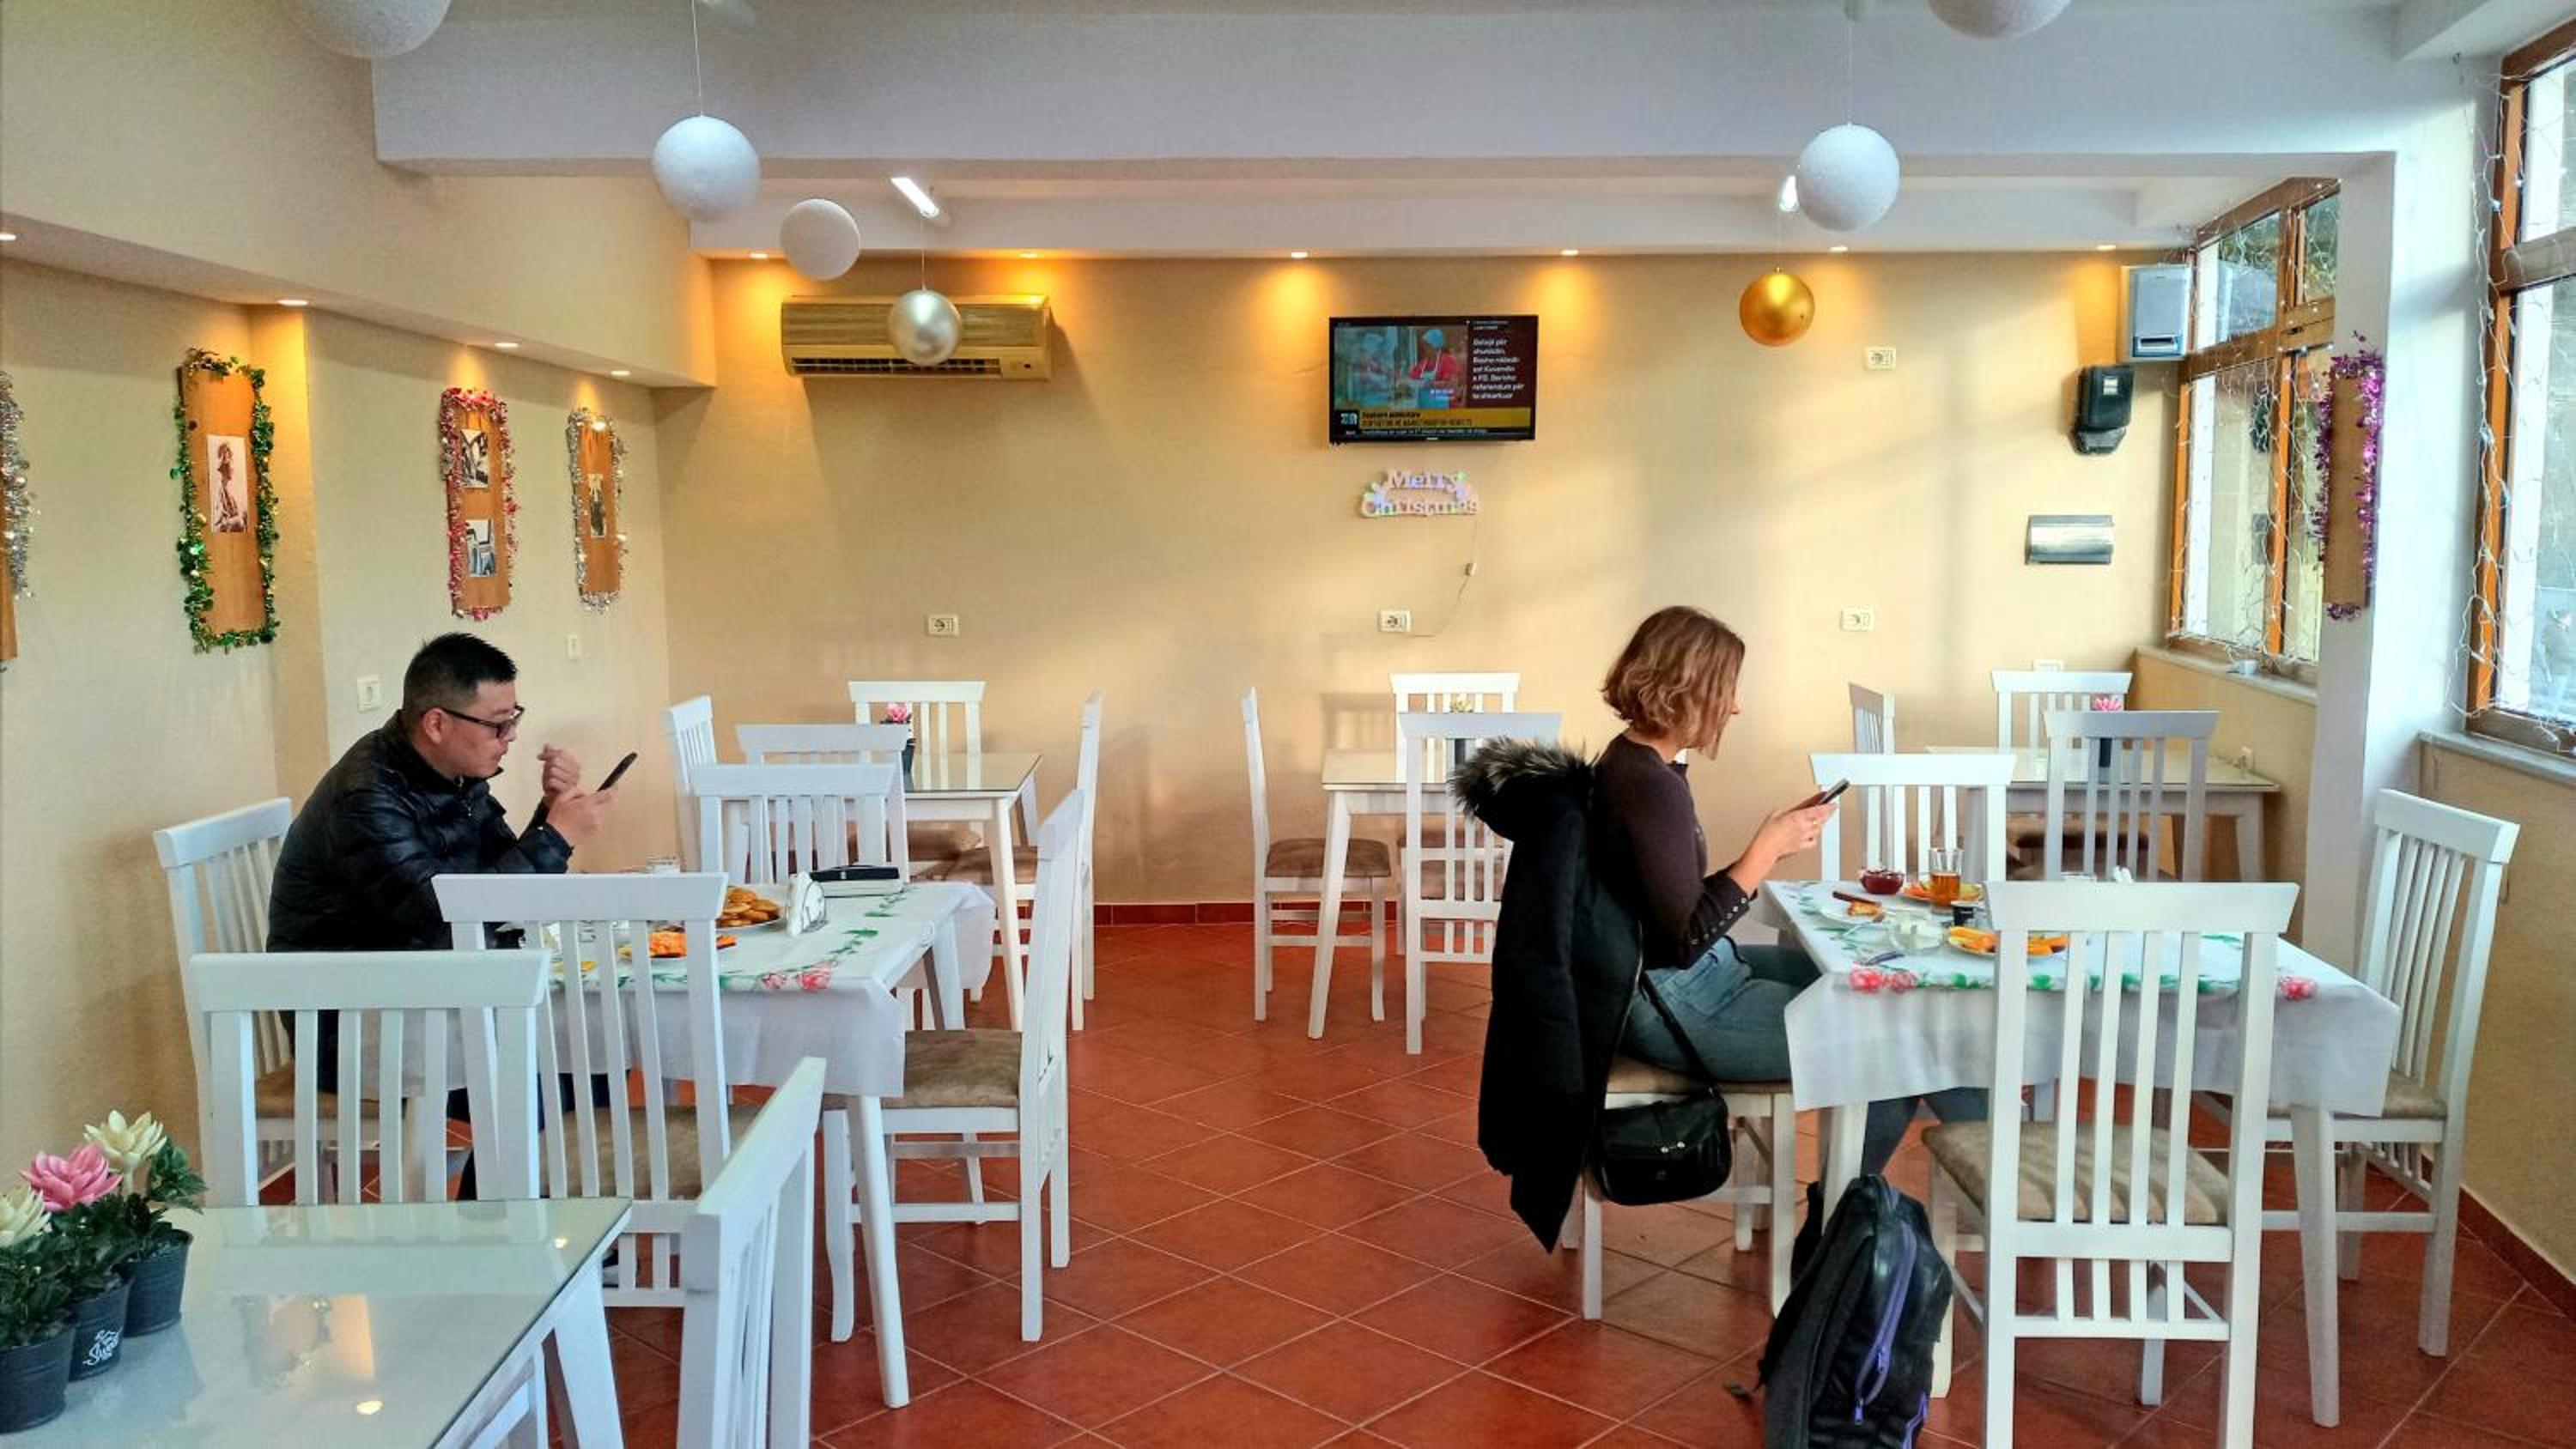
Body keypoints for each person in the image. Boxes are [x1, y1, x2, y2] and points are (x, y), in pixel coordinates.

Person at [1590, 605, 1983, 1175]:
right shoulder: (1650, 786)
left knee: (1899, 1001)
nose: (1735, 706)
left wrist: (1768, 847)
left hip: (1687, 981)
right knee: (1901, 1038)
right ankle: (1881, 1204)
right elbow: (1683, 939)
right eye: (1726, 689)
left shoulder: (1636, 765)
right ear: (1685, 688)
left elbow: (1666, 905)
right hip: (1678, 1002)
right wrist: (1765, 851)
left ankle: (1883, 1196)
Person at [268, 632, 619, 1094]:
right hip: (356, 1026)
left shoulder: (448, 771)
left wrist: (551, 811)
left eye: (514, 719)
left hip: (423, 987)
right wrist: (557, 836)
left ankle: (542, 1142)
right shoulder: (367, 799)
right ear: (436, 723)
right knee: (564, 1071)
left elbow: (497, 884)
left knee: (598, 1053)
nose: (511, 737)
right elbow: (447, 925)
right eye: (498, 725)